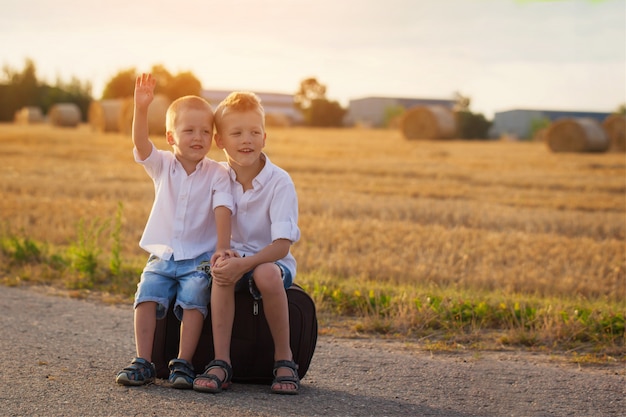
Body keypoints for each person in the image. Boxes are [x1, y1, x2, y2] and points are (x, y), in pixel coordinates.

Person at [116, 73, 233, 389]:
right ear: (171, 136)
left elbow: (224, 208)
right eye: (189, 130)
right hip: (162, 255)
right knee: (147, 292)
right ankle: (143, 361)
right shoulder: (162, 165)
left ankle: (183, 363)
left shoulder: (217, 174)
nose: (198, 137)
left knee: (195, 296)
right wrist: (142, 109)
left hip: (198, 259)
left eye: (206, 132)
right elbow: (141, 144)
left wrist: (222, 246)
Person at [192, 92, 301, 395]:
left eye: (254, 132)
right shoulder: (217, 176)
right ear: (220, 141)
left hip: (271, 262)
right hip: (234, 258)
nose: (247, 139)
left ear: (265, 137)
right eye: (237, 132)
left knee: (265, 273)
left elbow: (281, 247)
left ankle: (284, 359)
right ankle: (221, 362)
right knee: (222, 267)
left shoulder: (280, 182)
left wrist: (245, 264)